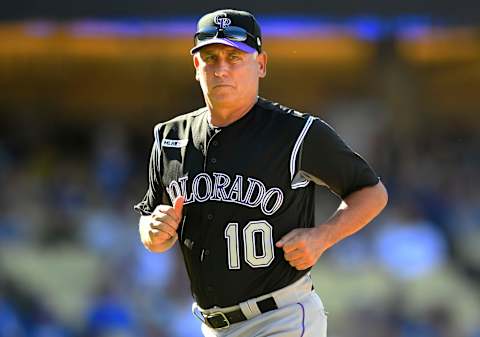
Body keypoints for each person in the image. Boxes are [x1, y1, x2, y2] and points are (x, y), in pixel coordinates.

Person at [134, 8, 388, 337]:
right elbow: (150, 222)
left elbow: (371, 192)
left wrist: (322, 237)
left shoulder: (295, 133)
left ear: (261, 64)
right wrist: (152, 231)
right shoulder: (171, 137)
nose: (221, 68)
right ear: (197, 66)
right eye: (210, 57)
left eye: (235, 56)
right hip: (212, 326)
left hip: (279, 317)